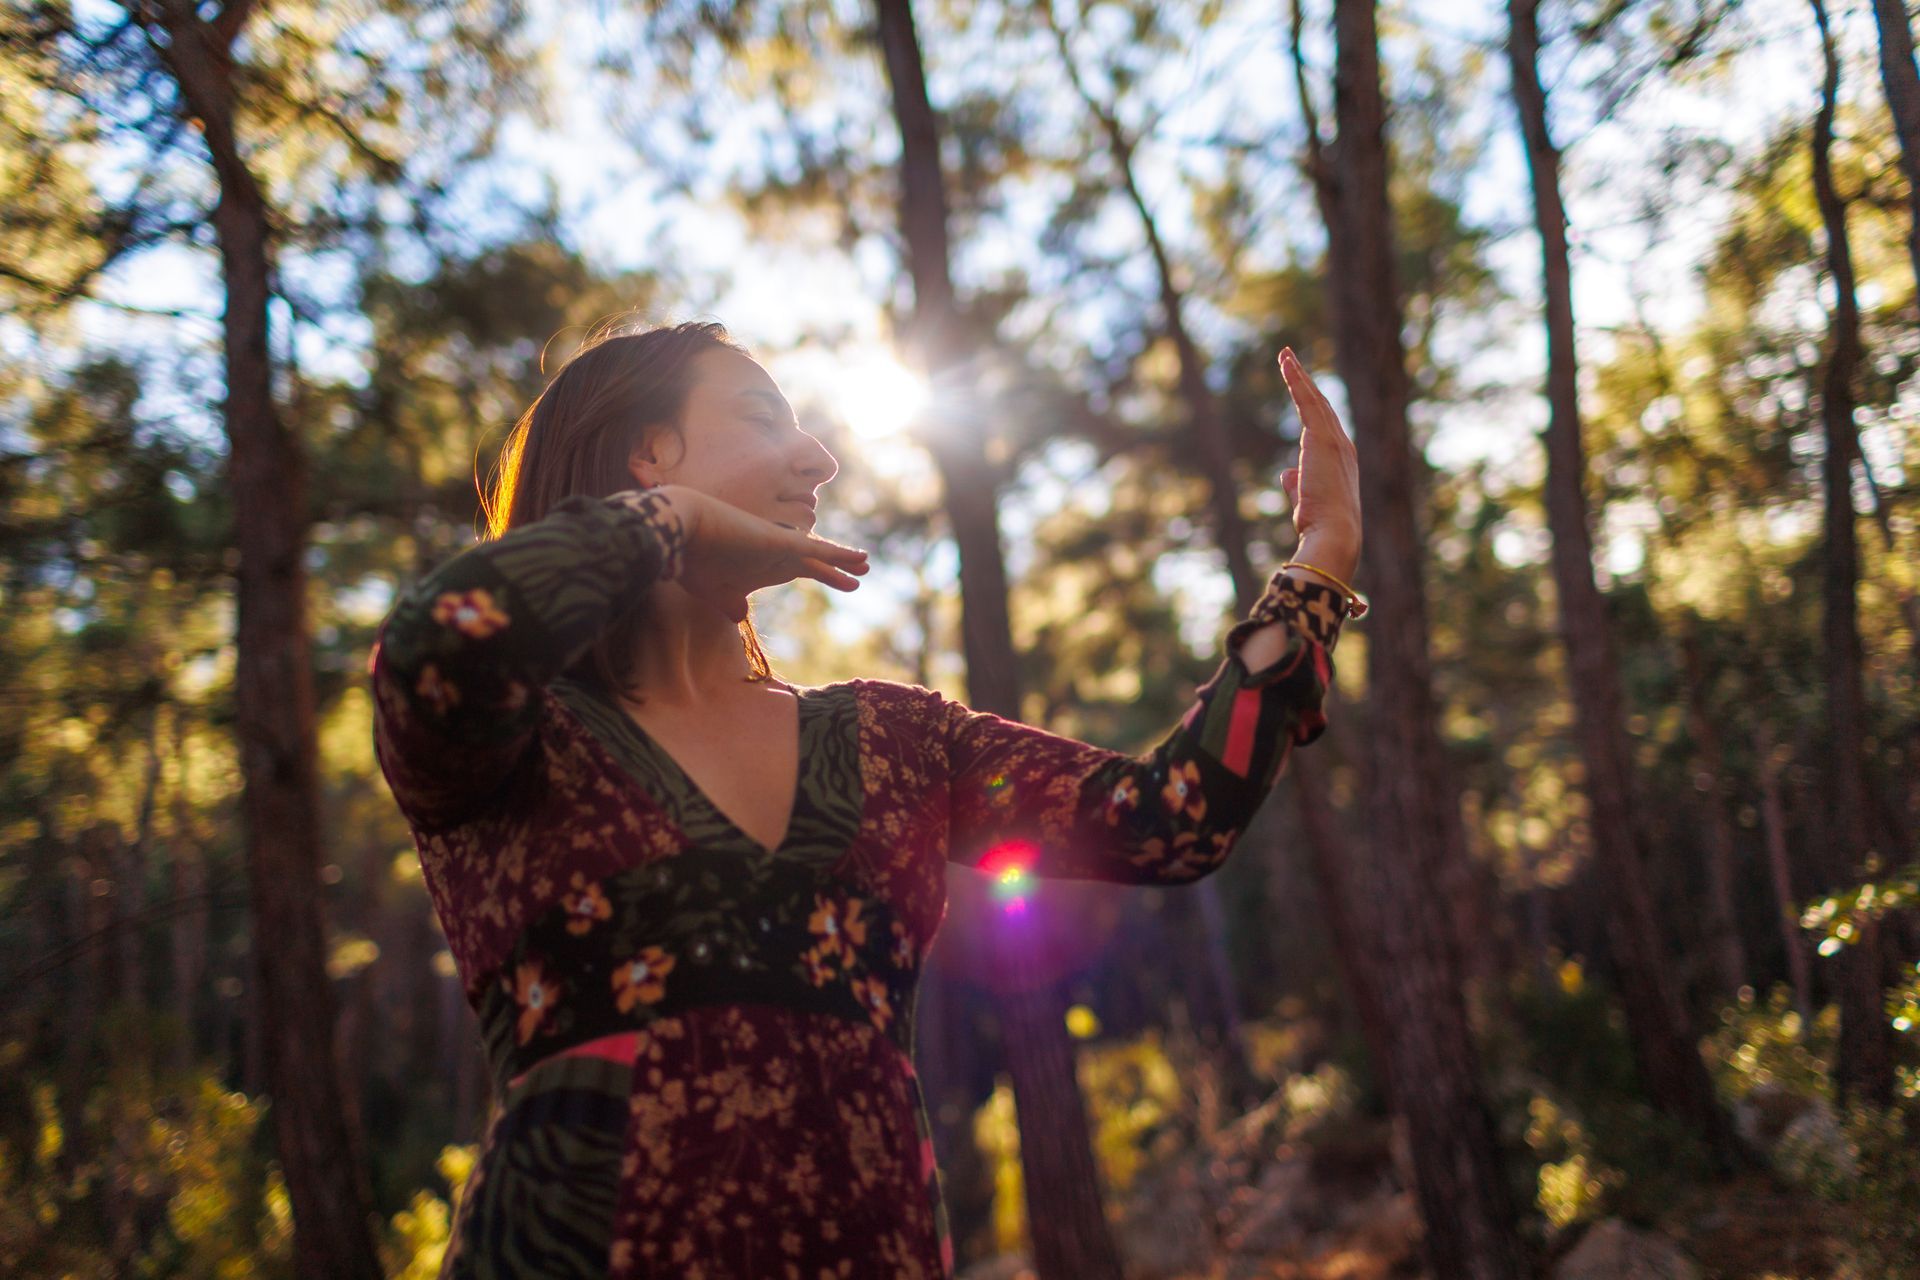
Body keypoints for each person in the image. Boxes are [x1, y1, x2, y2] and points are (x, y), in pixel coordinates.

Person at [369, 318, 1364, 1279]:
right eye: (765, 418)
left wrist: (1318, 561)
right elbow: (437, 640)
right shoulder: (513, 740)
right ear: (648, 452)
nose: (818, 459)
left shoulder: (895, 739)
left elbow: (1173, 813)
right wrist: (667, 530)